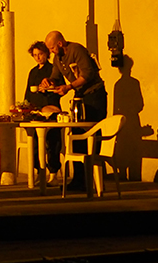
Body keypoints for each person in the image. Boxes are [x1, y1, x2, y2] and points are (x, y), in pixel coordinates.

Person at [40, 30, 108, 191]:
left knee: (91, 135)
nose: (51, 52)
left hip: (94, 95)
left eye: (52, 48)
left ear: (60, 43)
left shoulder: (76, 50)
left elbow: (88, 74)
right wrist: (49, 82)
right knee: (76, 137)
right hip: (79, 97)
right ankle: (79, 180)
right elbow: (56, 77)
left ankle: (92, 179)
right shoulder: (58, 58)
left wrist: (69, 86)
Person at [24, 41, 62, 183]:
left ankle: (53, 173)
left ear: (46, 54)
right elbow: (28, 92)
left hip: (51, 109)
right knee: (34, 142)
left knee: (53, 142)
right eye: (35, 55)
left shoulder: (53, 69)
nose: (38, 57)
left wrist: (48, 89)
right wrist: (26, 107)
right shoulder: (33, 72)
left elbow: (60, 89)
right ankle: (38, 170)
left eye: (40, 54)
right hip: (35, 111)